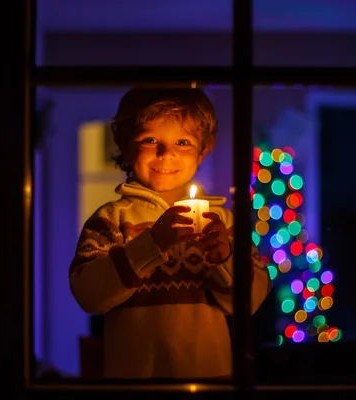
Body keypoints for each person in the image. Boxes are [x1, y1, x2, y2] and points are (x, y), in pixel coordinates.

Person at [68, 87, 272, 380]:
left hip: (210, 379)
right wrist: (152, 243)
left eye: (182, 141)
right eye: (150, 140)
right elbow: (89, 296)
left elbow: (248, 304)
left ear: (203, 149)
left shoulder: (224, 223)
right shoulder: (111, 220)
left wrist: (225, 258)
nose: (166, 153)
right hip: (136, 382)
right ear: (125, 145)